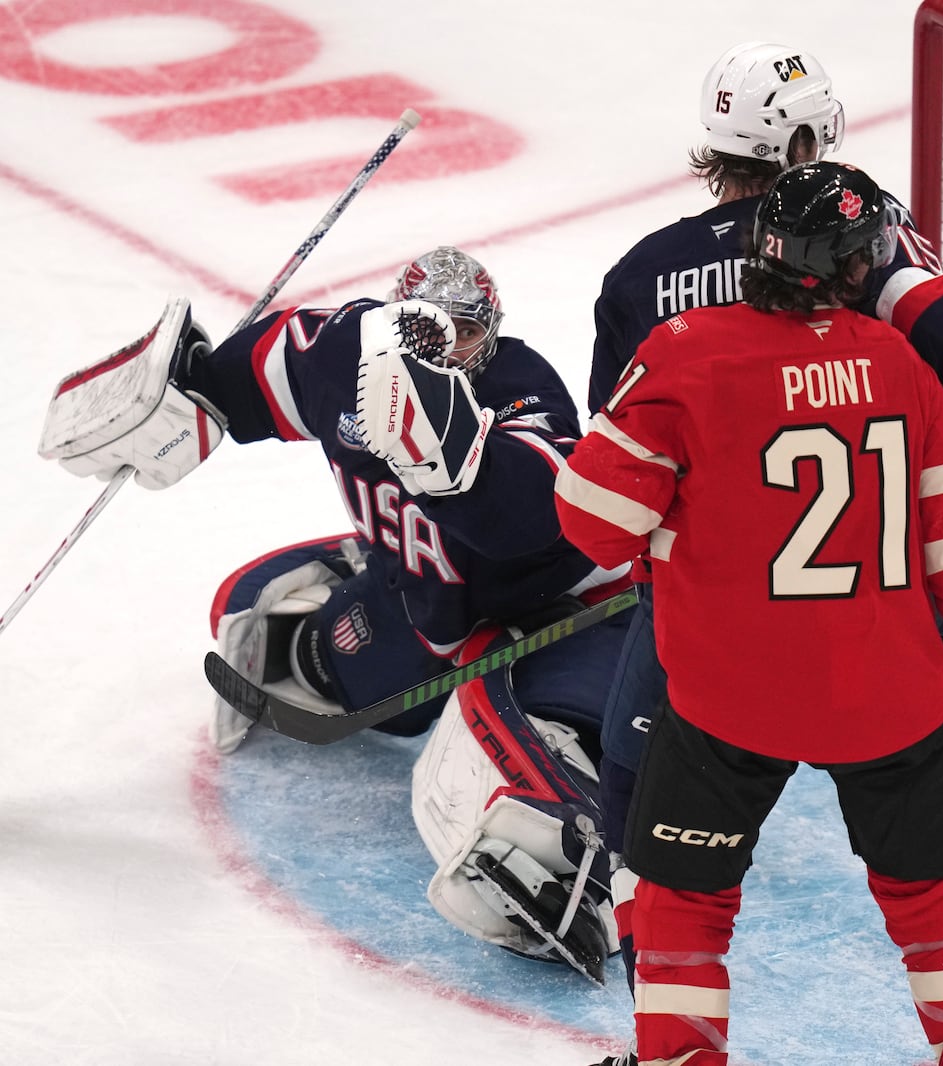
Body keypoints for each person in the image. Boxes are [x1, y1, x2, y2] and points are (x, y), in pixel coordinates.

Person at [586, 41, 943, 1066]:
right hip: (883, 616)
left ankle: (670, 1048)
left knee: (644, 821)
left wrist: (666, 555)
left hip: (711, 641)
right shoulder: (873, 252)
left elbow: (606, 497)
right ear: (804, 137)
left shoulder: (644, 285)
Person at [42, 246, 632, 979]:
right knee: (347, 683)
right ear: (395, 321)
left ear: (493, 331)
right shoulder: (341, 355)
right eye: (426, 332)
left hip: (560, 607)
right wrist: (173, 395)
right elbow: (249, 372)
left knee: (566, 730)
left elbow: (535, 516)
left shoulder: (519, 382)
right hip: (423, 590)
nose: (445, 350)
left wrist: (448, 451)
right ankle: (338, 598)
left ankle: (578, 809)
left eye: (465, 334)